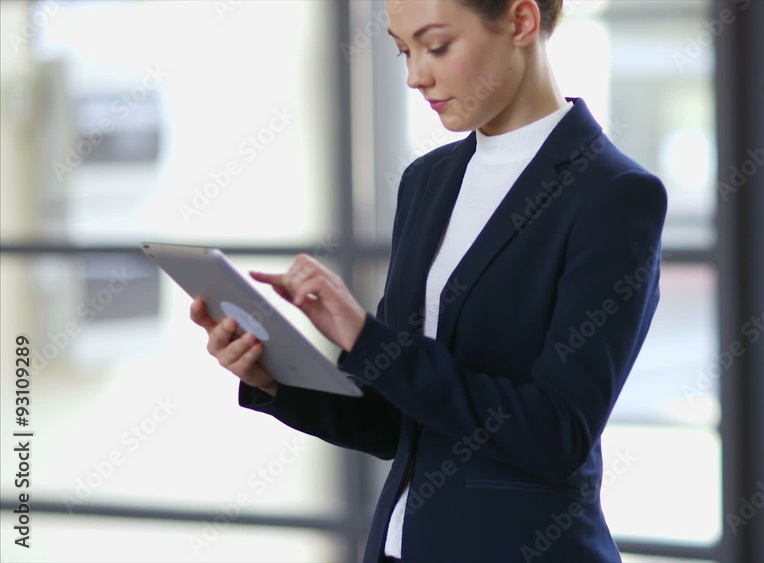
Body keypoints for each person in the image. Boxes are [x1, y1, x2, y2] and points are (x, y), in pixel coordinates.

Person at [190, 0, 667, 561]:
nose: (416, 76)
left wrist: (367, 338)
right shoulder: (427, 181)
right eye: (403, 51)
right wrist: (274, 378)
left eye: (436, 46)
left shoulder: (613, 195)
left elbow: (556, 435)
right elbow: (397, 424)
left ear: (521, 22)